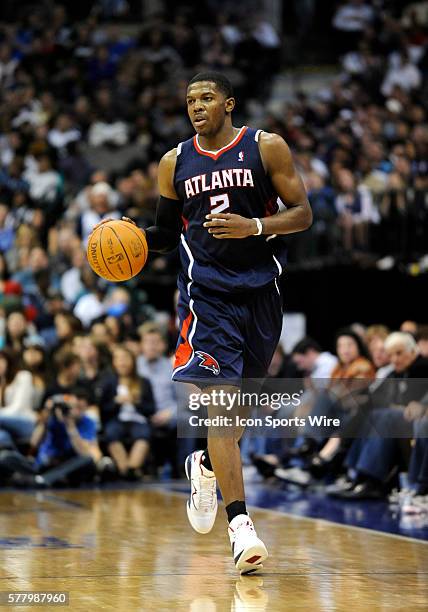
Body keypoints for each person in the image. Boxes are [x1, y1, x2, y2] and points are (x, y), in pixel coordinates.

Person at [95, 71, 312, 574]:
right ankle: (241, 529)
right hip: (206, 297)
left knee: (236, 418)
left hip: (260, 293)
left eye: (207, 98)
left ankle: (207, 465)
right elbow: (169, 234)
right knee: (222, 410)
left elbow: (302, 213)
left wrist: (254, 226)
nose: (196, 106)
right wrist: (131, 239)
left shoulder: (266, 147)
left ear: (228, 104)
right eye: (190, 100)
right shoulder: (174, 162)